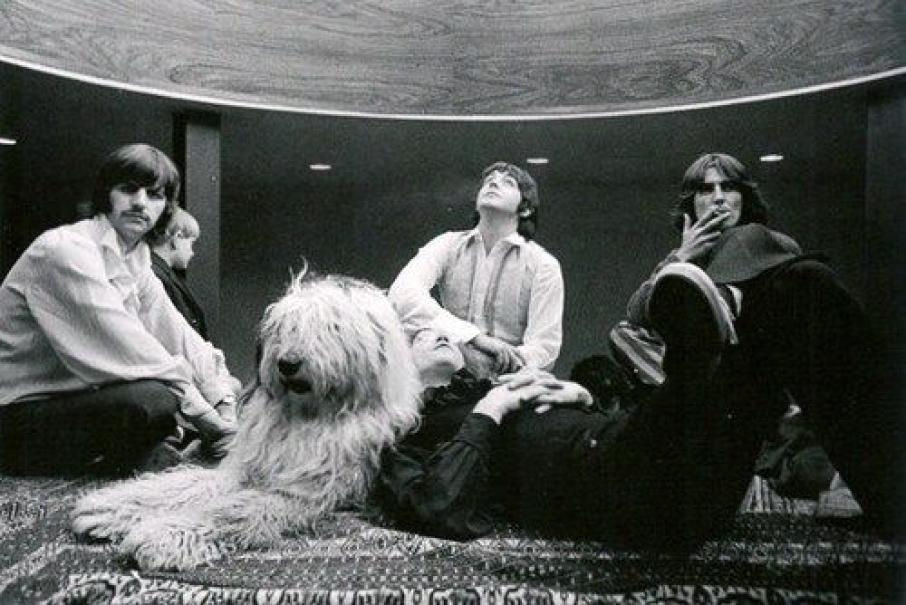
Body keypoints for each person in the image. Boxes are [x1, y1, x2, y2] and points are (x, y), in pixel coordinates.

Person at [375, 155, 901, 549]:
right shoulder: (406, 437)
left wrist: (573, 393)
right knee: (676, 347)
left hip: (658, 458)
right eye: (421, 339)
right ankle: (699, 337)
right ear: (398, 377)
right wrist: (491, 407)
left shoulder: (537, 275)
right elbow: (440, 503)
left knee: (802, 285)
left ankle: (892, 496)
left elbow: (541, 352)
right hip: (633, 490)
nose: (440, 335)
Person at [0, 144, 239, 475]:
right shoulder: (65, 250)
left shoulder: (136, 258)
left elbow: (177, 333)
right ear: (106, 195)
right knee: (153, 398)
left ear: (166, 208)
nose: (140, 202)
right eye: (128, 189)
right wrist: (207, 417)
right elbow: (130, 348)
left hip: (70, 403)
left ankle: (148, 447)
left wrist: (223, 401)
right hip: (14, 414)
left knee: (203, 387)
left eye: (154, 195)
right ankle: (135, 452)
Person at [389, 162, 564, 374]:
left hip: (509, 382)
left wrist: (492, 365)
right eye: (489, 181)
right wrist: (474, 337)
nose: (494, 184)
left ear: (525, 209)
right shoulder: (447, 244)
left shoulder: (544, 265)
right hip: (447, 378)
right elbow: (402, 294)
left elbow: (545, 348)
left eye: (508, 182)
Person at [150, 206, 209, 339]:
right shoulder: (157, 276)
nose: (192, 252)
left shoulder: (159, 272)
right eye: (191, 243)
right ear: (177, 237)